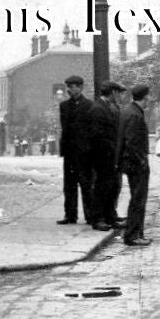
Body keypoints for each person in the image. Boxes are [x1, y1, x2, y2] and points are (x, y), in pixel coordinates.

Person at [118, 83, 153, 247]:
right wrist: (142, 161)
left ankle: (135, 233)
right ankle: (133, 235)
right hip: (136, 164)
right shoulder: (136, 115)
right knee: (138, 199)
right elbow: (132, 142)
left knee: (136, 198)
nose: (149, 100)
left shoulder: (127, 111)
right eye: (148, 97)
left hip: (130, 162)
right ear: (145, 98)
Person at [88, 81, 126, 232]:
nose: (119, 96)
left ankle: (111, 216)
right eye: (118, 93)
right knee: (102, 187)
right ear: (111, 93)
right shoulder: (97, 109)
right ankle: (98, 219)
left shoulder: (112, 107)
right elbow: (97, 135)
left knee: (113, 187)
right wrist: (111, 149)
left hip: (113, 155)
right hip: (102, 155)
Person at [58, 75, 95, 225]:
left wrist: (89, 149)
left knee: (86, 184)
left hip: (84, 152)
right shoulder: (64, 106)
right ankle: (70, 215)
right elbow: (64, 129)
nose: (69, 90)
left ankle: (90, 215)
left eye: (72, 87)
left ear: (80, 87)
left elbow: (91, 130)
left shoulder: (90, 105)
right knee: (69, 185)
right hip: (69, 152)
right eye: (68, 86)